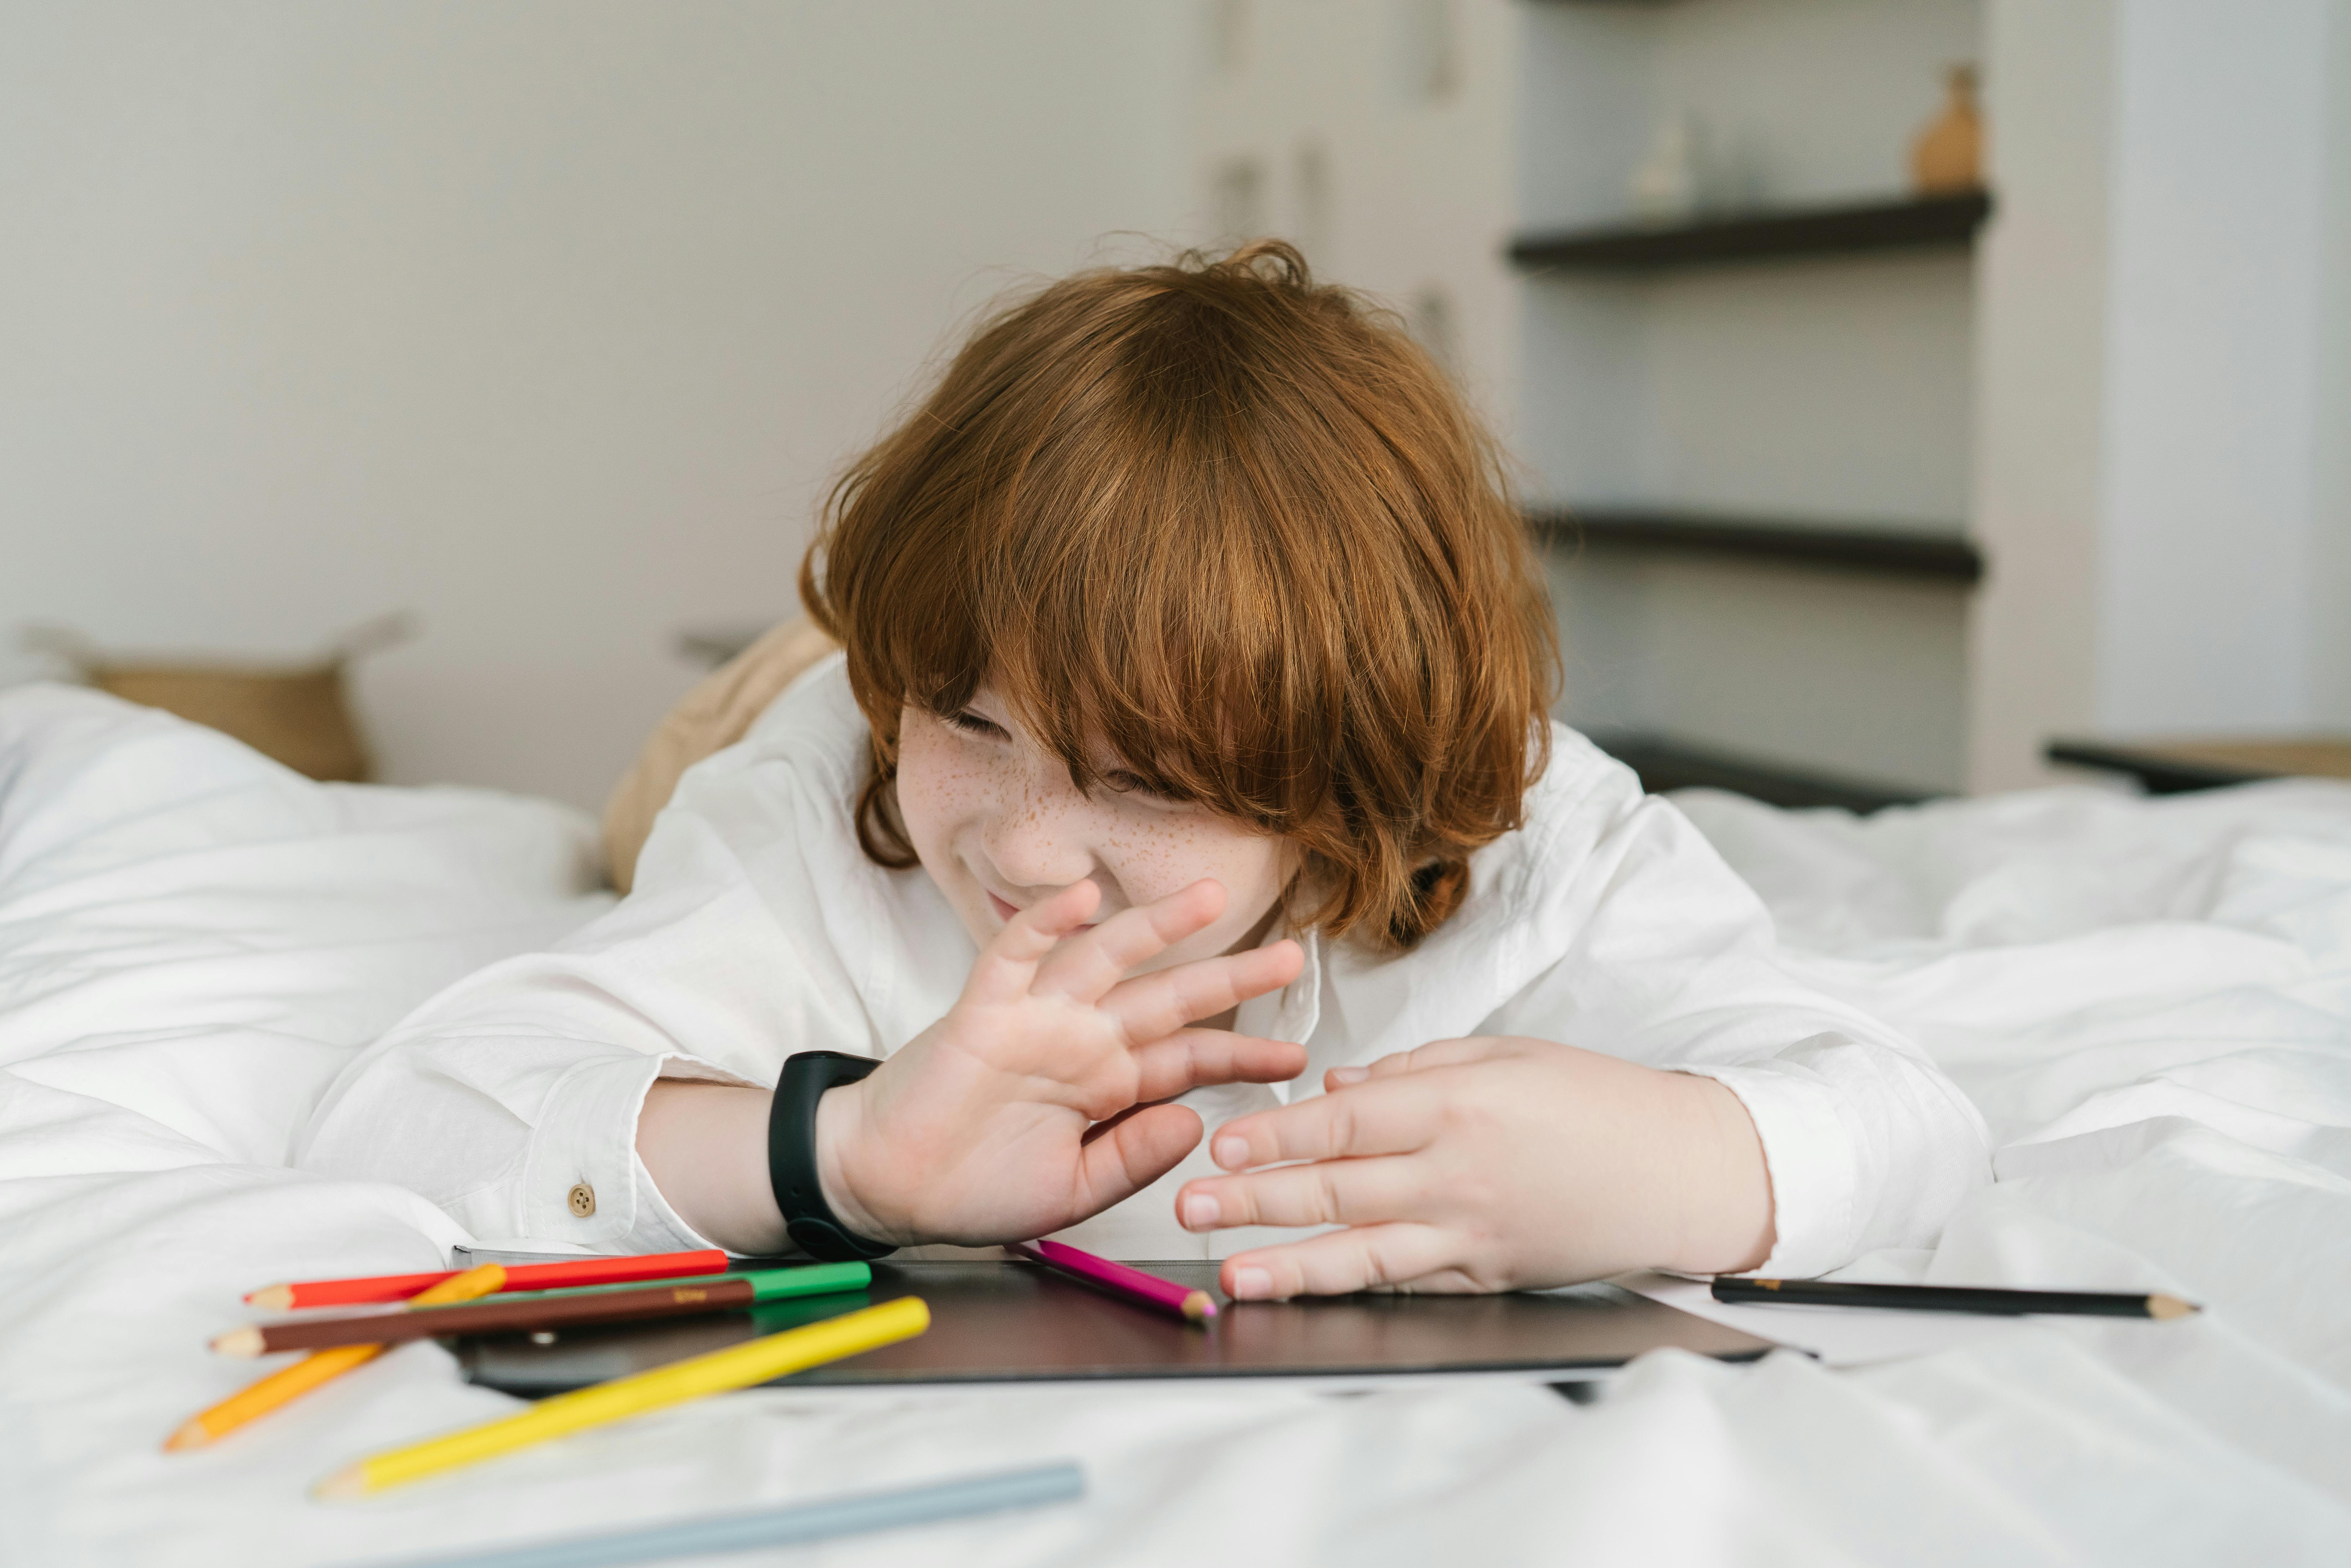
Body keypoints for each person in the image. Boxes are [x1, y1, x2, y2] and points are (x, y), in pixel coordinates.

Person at [297, 243, 1988, 1298]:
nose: (1032, 855)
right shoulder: (836, 792)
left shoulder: (1538, 832)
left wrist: (1669, 1171)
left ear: (1352, 776)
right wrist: (850, 1155)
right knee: (695, 769)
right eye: (975, 721)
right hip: (782, 702)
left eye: (1151, 778)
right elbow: (409, 1113)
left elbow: (1909, 1123)